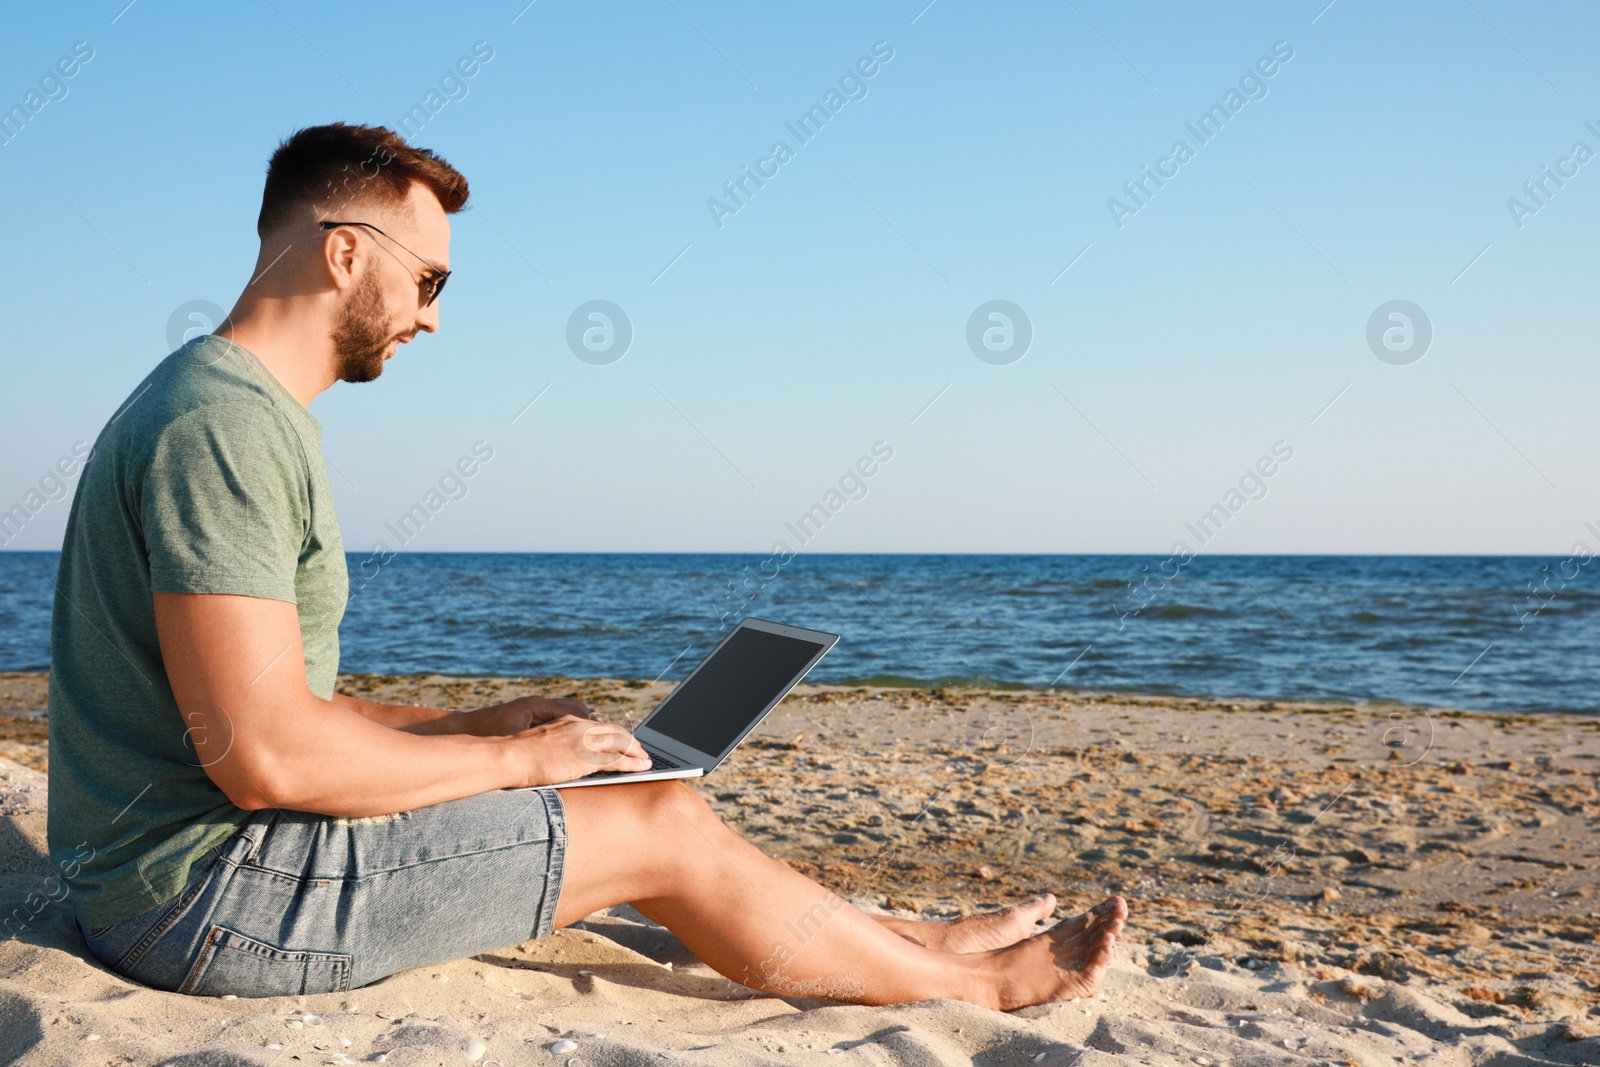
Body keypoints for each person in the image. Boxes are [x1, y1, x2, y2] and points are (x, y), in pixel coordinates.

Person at [46, 122, 1127, 1009]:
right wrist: (522, 765)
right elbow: (268, 757)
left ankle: (921, 939)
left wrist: (481, 726)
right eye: (427, 278)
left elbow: (283, 703)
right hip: (208, 900)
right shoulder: (223, 431)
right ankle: (970, 991)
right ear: (342, 253)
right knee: (654, 822)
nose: (430, 314)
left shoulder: (225, 407)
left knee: (639, 791)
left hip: (191, 869)